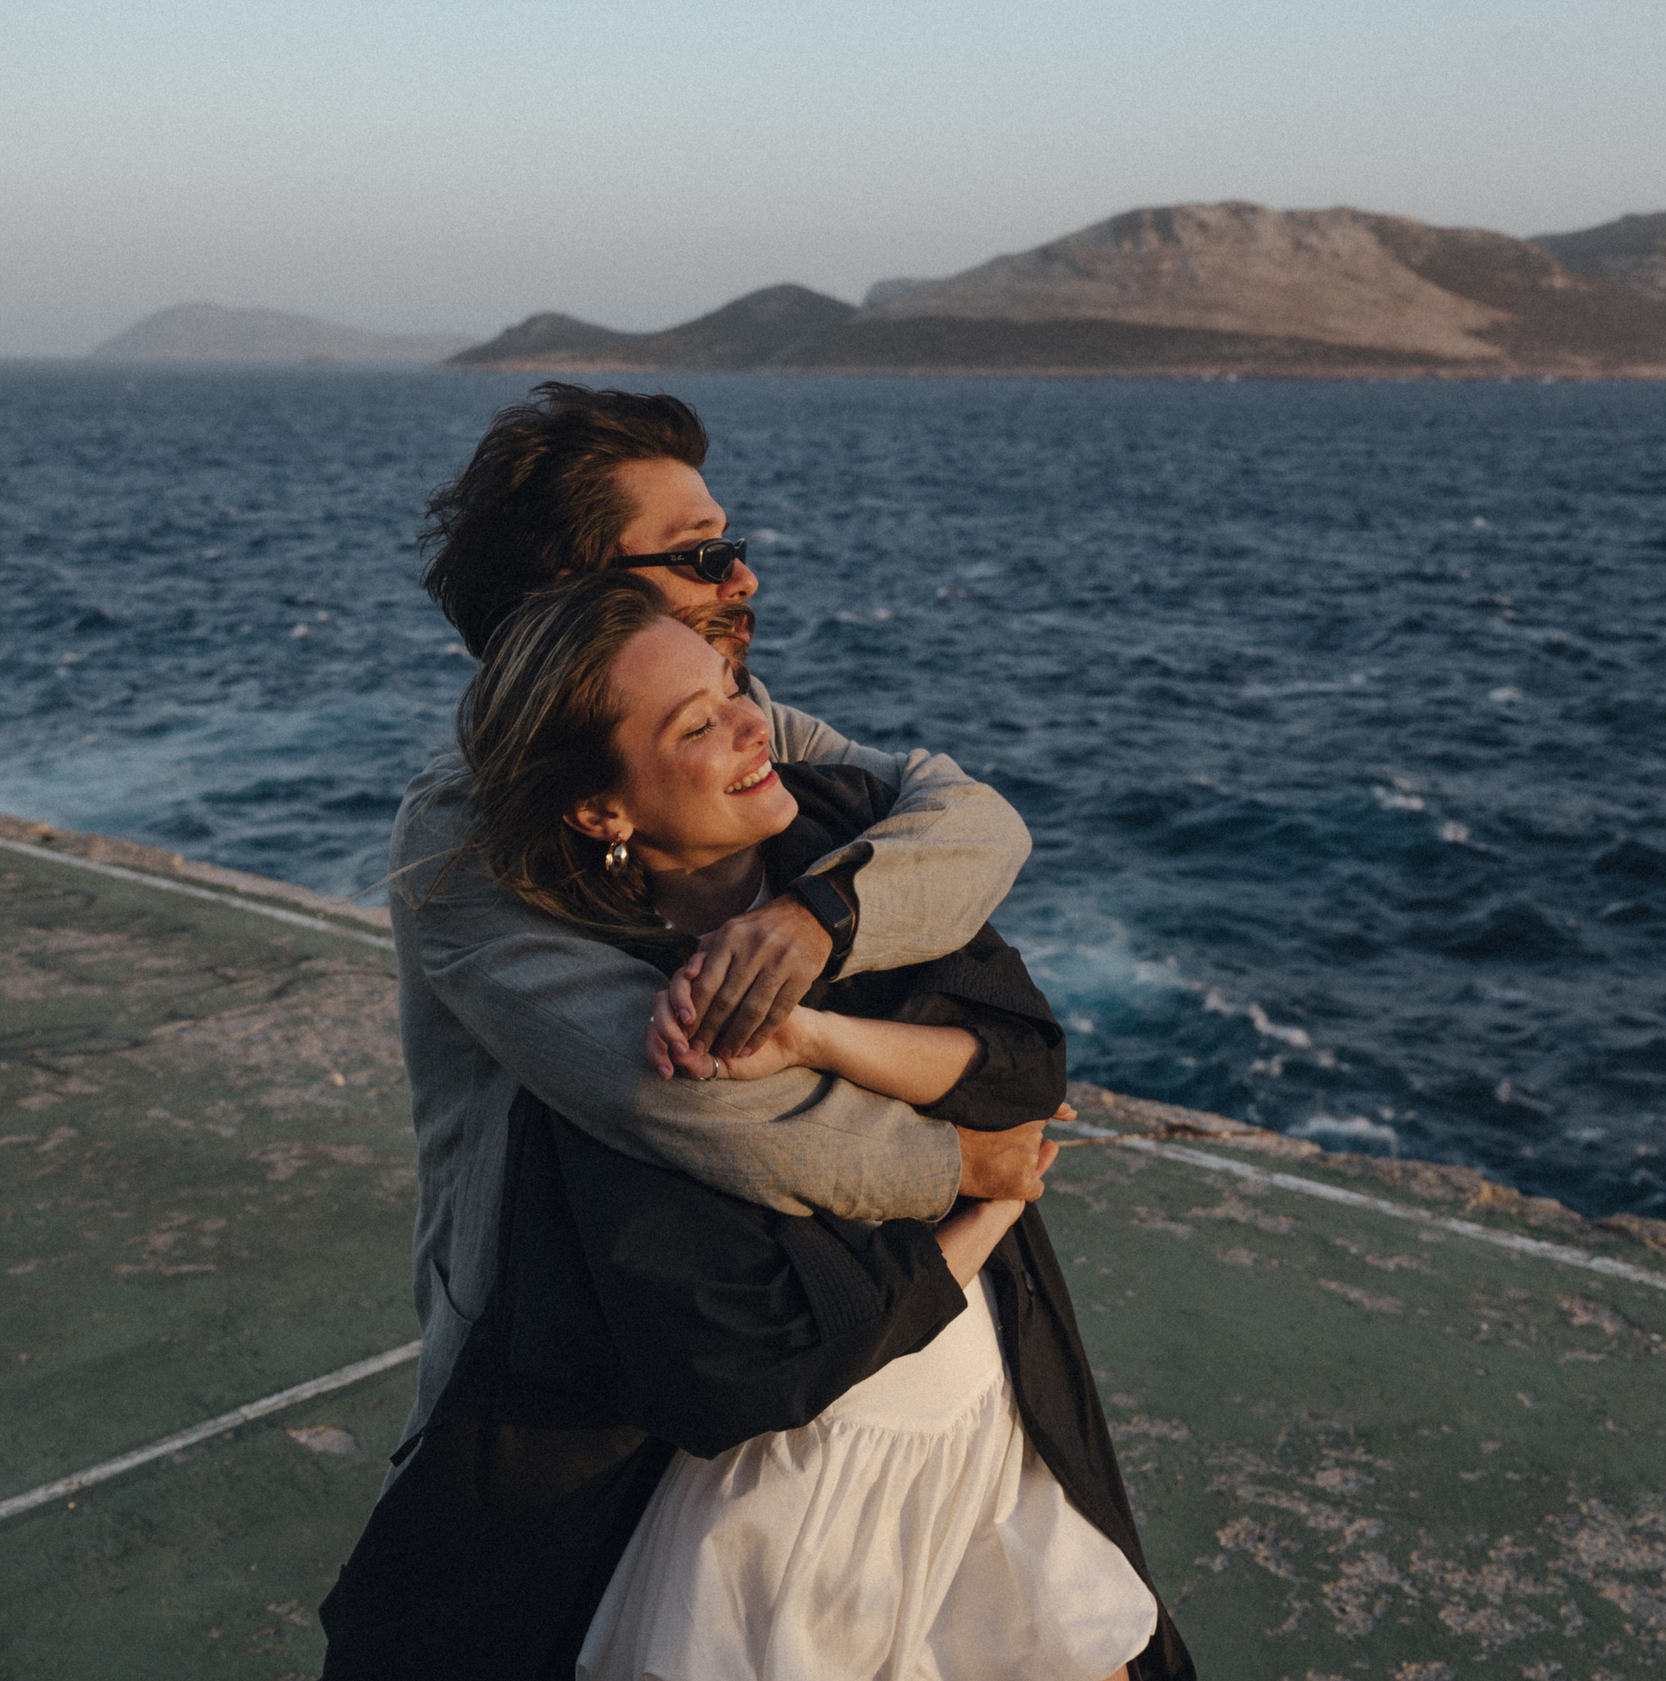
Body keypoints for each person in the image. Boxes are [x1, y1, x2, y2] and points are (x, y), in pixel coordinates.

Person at [324, 574, 1183, 1680]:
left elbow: (1021, 1061)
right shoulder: (609, 1011)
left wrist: (819, 1020)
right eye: (699, 717)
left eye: (730, 687)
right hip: (798, 1500)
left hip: (968, 1413)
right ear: (600, 809)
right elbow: (740, 1346)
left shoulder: (827, 837)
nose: (751, 716)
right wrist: (969, 1173)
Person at [383, 384, 1054, 1510]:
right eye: (701, 554)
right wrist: (961, 1166)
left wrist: (816, 918)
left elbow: (974, 819)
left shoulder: (743, 716)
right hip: (587, 1354)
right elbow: (674, 1097)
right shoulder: (465, 834)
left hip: (832, 1302)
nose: (741, 578)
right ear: (576, 591)